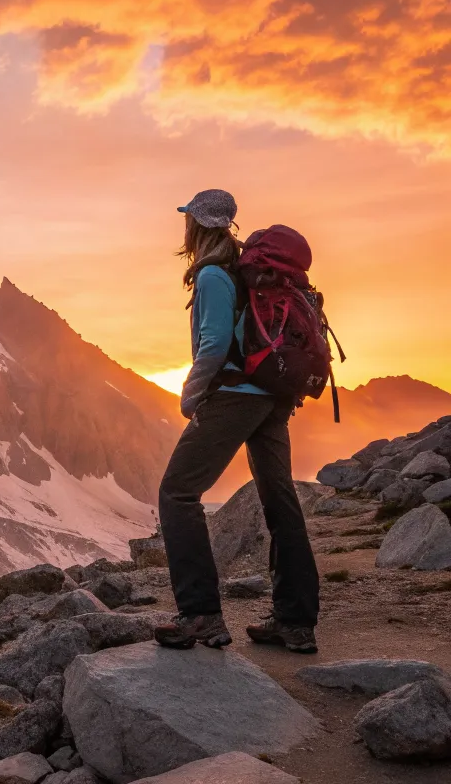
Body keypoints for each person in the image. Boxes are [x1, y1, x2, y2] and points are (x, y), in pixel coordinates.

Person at [154, 189, 320, 654]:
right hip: (273, 396)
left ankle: (200, 615)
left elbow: (213, 343)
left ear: (195, 226)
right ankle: (296, 621)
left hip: (234, 396)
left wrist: (191, 398)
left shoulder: (212, 274)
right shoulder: (247, 269)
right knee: (279, 499)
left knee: (178, 493)